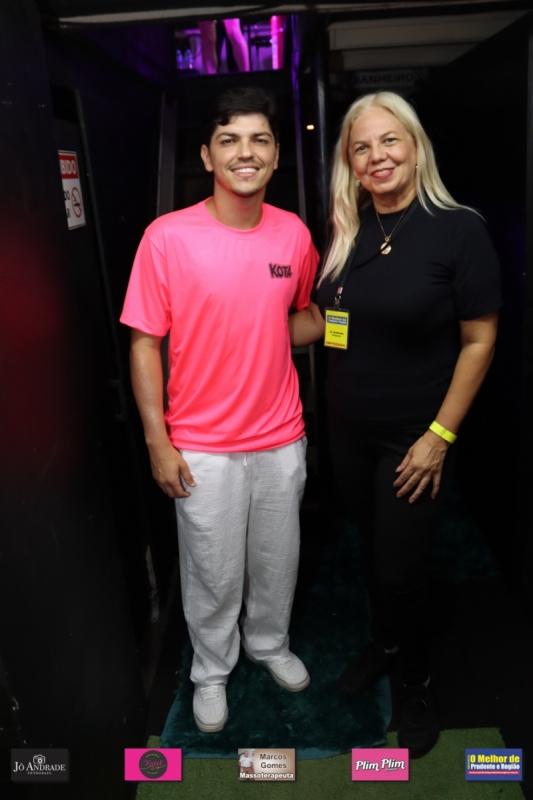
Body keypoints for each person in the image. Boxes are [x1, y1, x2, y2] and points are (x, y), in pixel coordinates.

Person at [120, 87, 322, 734]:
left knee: (276, 559)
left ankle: (268, 643)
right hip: (202, 444)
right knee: (211, 570)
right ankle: (210, 670)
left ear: (276, 154)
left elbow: (303, 317)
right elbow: (144, 343)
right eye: (229, 140)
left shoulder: (293, 234)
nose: (245, 152)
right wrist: (158, 440)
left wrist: (352, 323)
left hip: (280, 436)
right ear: (208, 156)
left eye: (259, 139)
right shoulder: (167, 238)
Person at [312, 91, 501, 757]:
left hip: (413, 435)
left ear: (416, 148)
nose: (377, 156)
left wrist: (439, 437)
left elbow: (479, 339)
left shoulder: (458, 230)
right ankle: (386, 642)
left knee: (401, 569)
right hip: (347, 428)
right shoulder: (348, 228)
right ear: (350, 163)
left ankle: (415, 680)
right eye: (361, 147)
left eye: (389, 140)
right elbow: (332, 322)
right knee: (372, 550)